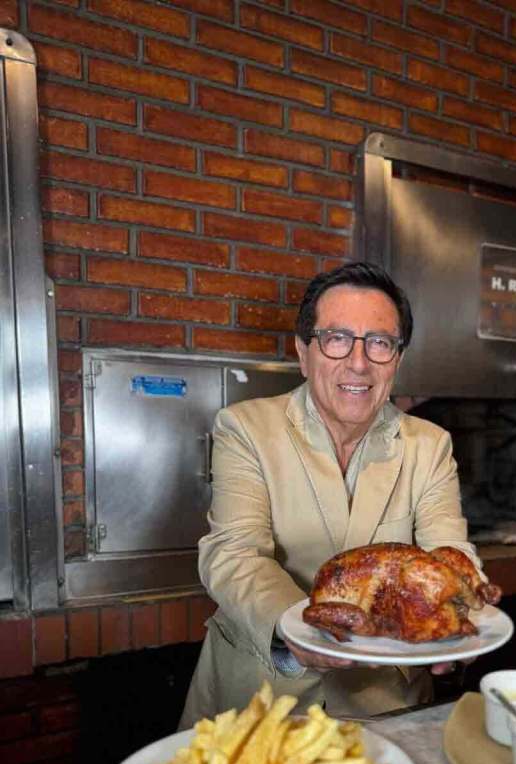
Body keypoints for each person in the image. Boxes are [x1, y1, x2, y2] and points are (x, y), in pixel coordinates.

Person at [179, 260, 489, 727]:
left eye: (379, 343)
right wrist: (301, 629)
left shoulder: (430, 445)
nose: (359, 363)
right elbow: (233, 553)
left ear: (398, 359)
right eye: (337, 338)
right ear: (303, 351)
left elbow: (449, 552)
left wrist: (461, 611)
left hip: (385, 702)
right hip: (261, 695)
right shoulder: (245, 428)